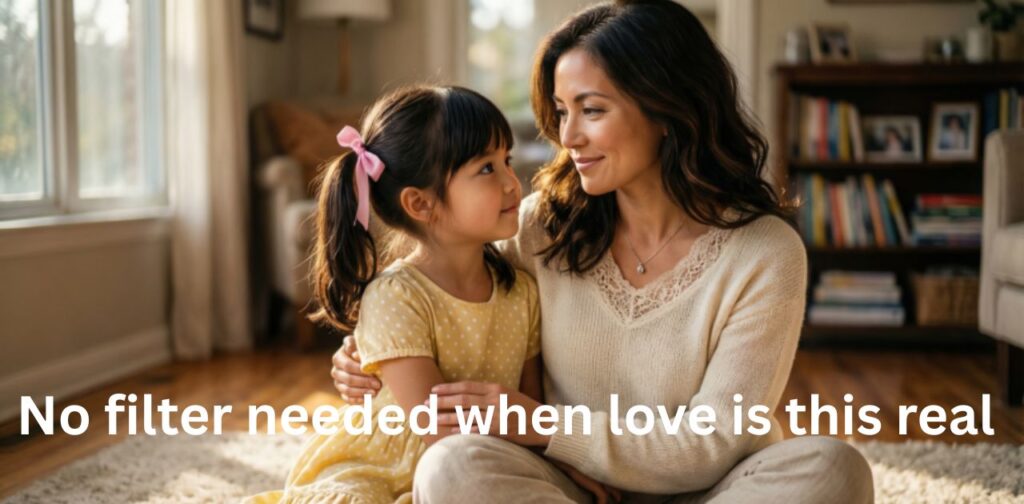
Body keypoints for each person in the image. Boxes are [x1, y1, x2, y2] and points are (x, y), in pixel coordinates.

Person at [332, 1, 875, 502]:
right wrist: (366, 357)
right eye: (562, 111)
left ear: (668, 108)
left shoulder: (764, 253)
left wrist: (544, 427)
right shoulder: (535, 229)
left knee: (833, 468)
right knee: (450, 464)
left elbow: (716, 442)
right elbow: (441, 296)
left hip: (710, 491)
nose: (569, 136)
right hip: (575, 487)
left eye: (591, 110)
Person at [247, 85, 542, 503]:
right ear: (420, 204)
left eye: (506, 160)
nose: (514, 183)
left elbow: (529, 412)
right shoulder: (395, 296)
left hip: (476, 462)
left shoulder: (521, 291)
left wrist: (562, 462)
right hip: (384, 470)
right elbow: (438, 431)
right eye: (487, 168)